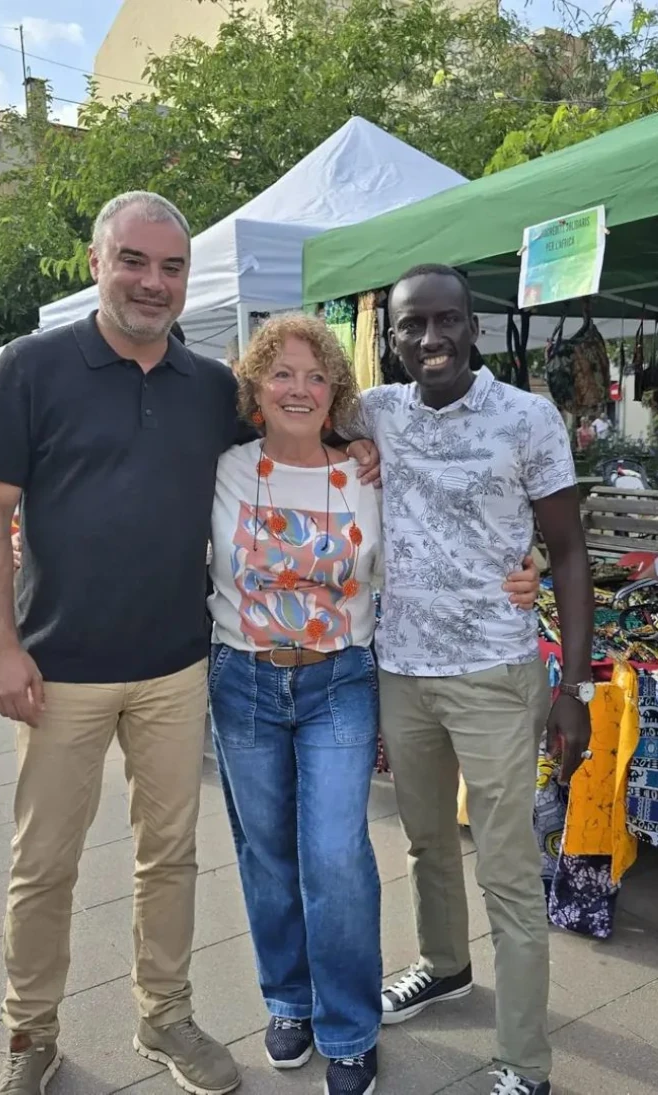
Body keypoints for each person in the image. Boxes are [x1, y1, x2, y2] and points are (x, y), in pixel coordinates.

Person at [0, 191, 380, 1095]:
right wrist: (0, 645)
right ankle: (29, 1034)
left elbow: (292, 427)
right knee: (44, 864)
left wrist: (355, 441)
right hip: (57, 668)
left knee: (171, 856)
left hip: (180, 667)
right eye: (134, 261)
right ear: (95, 261)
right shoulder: (32, 370)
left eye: (172, 267)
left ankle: (166, 1014)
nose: (154, 283)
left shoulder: (208, 387)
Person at [207, 314, 542, 1095]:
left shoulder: (368, 472)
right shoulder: (221, 469)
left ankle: (350, 1025)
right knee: (265, 853)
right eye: (282, 373)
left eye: (316, 375)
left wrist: (521, 572)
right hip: (244, 680)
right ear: (256, 385)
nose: (299, 388)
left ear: (337, 391)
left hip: (340, 682)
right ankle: (289, 998)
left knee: (335, 856)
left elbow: (448, 536)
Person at [361, 266, 593, 1095]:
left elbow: (566, 551)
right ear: (389, 338)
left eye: (448, 320)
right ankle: (443, 963)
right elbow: (274, 405)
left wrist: (574, 685)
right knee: (424, 840)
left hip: (497, 672)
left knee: (505, 869)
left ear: (475, 327)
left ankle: (525, 1061)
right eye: (412, 324)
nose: (431, 339)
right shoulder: (374, 413)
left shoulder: (526, 417)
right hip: (403, 669)